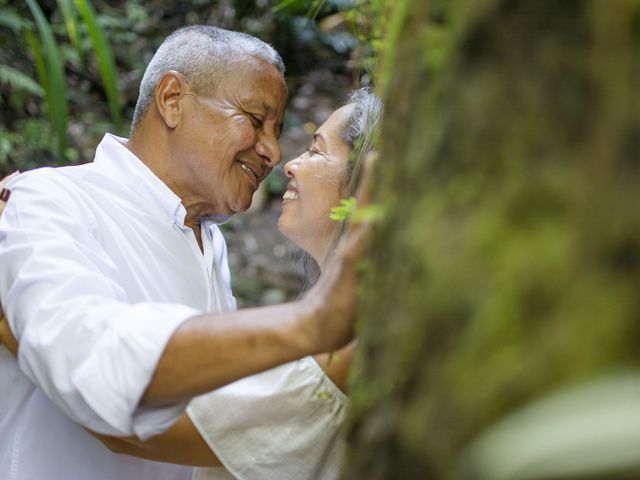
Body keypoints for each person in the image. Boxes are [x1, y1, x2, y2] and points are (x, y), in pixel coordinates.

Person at [0, 25, 365, 480]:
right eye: (255, 120)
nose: (273, 152)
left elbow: (214, 421)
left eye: (278, 131)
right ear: (172, 99)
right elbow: (86, 363)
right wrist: (312, 325)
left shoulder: (209, 244)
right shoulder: (50, 200)